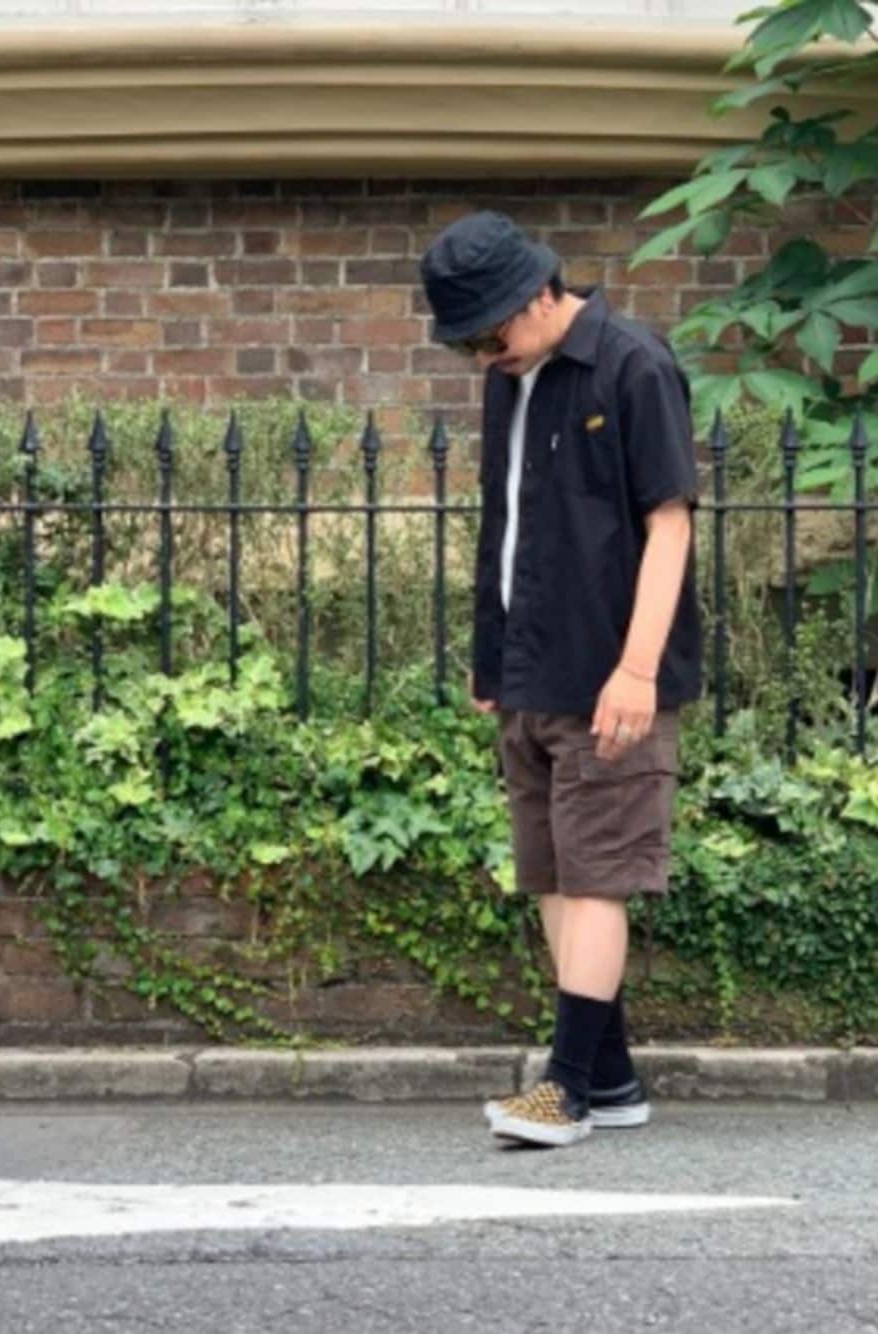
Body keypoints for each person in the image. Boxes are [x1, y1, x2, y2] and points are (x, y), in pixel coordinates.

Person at [419, 210, 701, 1148]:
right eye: (467, 342)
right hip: (530, 670)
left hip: (610, 674)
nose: (483, 353)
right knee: (552, 873)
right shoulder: (511, 379)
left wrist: (637, 670)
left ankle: (567, 1089)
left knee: (598, 881)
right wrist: (490, 651)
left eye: (490, 332)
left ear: (542, 293)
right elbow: (505, 522)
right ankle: (611, 1078)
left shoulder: (633, 364)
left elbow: (670, 524)